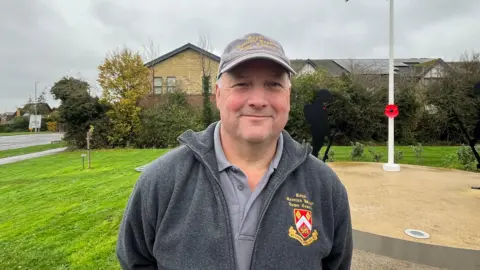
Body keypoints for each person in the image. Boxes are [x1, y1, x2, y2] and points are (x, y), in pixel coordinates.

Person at [116, 33, 353, 270]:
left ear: (288, 97)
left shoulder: (325, 187)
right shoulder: (161, 181)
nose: (258, 100)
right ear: (218, 95)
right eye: (241, 84)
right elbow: (135, 261)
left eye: (274, 84)